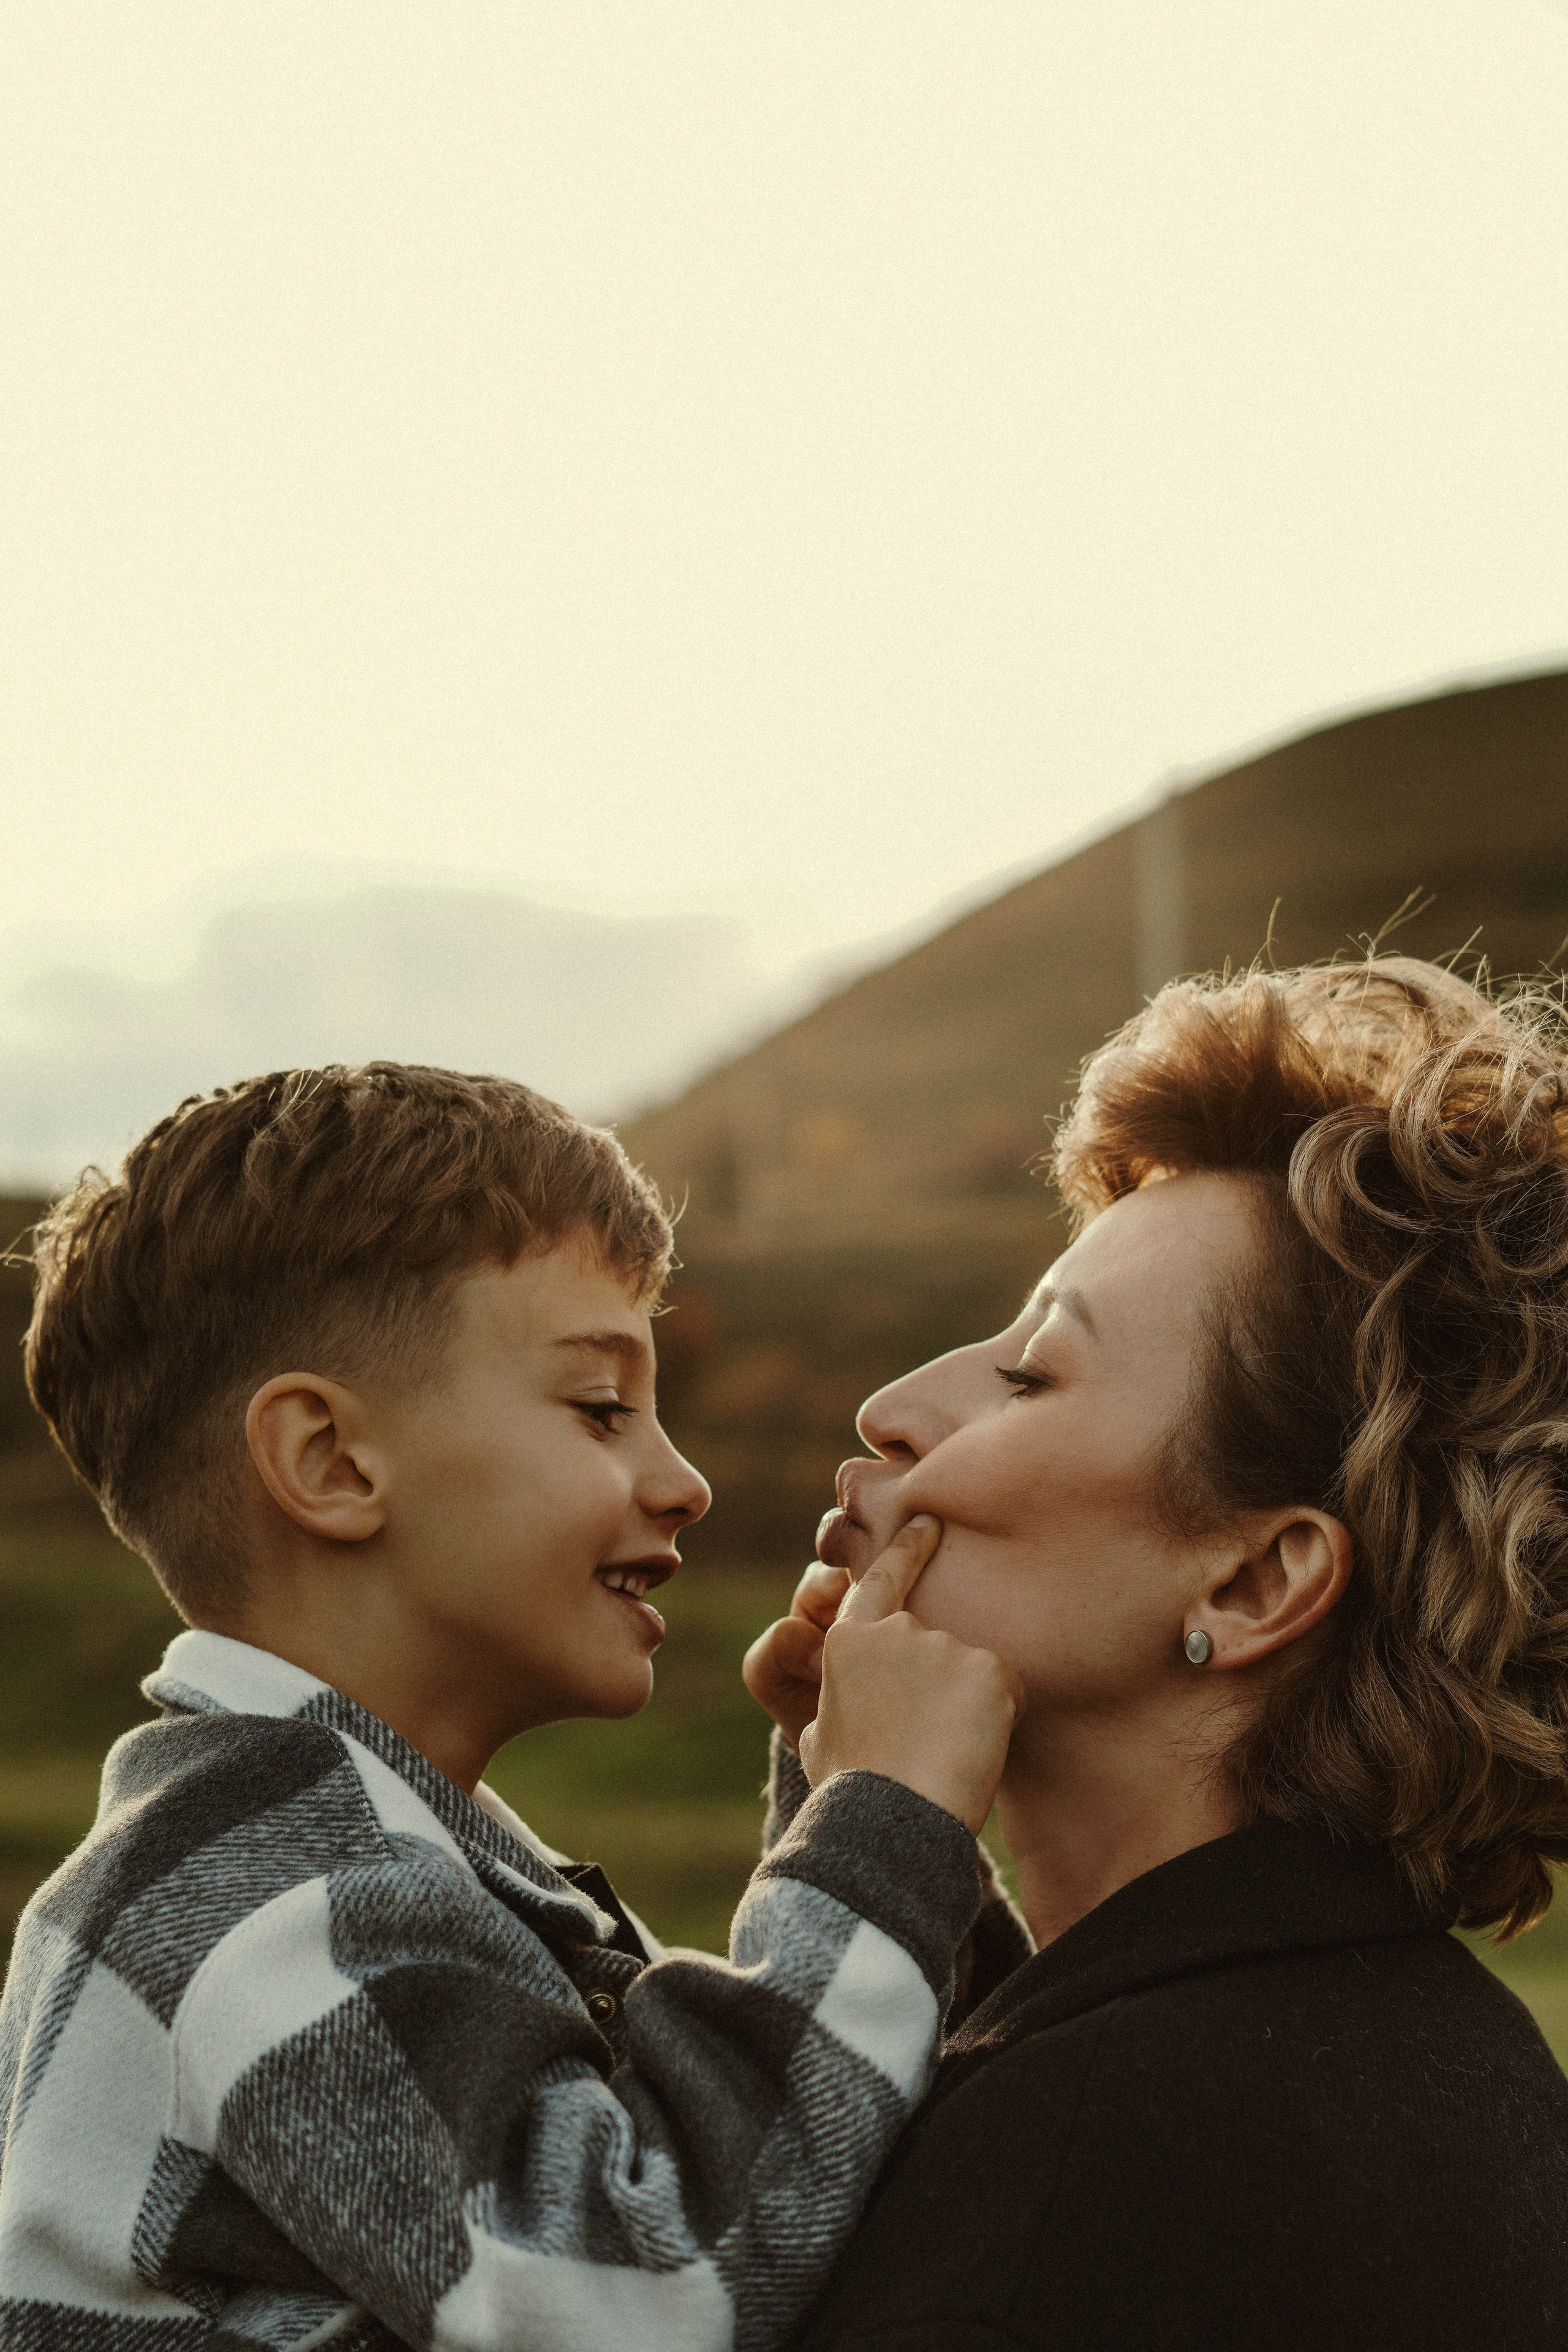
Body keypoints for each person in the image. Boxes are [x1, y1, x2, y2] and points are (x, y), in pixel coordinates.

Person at [0, 1063, 1019, 2352]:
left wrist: (843, 1796)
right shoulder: (255, 1895)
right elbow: (634, 2298)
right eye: (601, 1410)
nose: (686, 1483)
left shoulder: (367, 1857)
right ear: (330, 1461)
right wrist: (881, 1825)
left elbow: (800, 2203)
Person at [747, 955, 1568, 2351]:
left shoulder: (1096, 2150)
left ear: (1254, 1581)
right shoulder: (1449, 2064)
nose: (892, 1408)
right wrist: (856, 1826)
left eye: (1030, 1376)